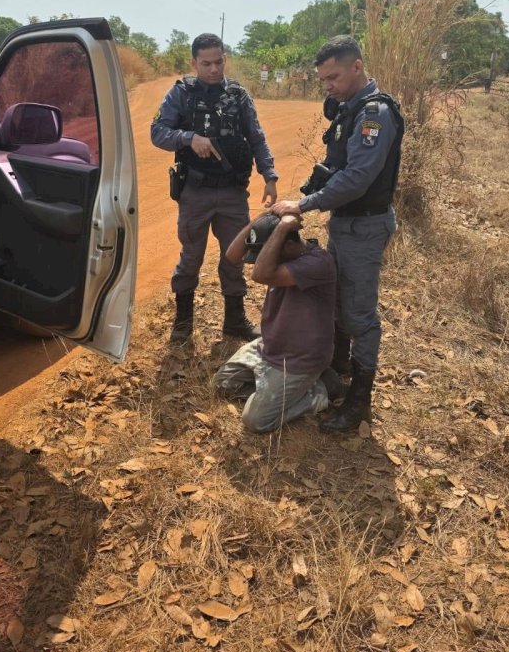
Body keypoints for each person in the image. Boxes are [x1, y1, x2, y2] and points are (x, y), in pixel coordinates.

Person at [273, 35, 404, 434]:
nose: (327, 85)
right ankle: (339, 371)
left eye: (333, 76)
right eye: (323, 79)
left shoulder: (374, 114)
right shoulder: (349, 110)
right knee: (339, 300)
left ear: (357, 66)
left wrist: (306, 205)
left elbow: (358, 177)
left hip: (364, 224)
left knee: (360, 315)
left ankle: (359, 402)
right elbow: (336, 167)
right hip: (346, 222)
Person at [151, 33, 279, 342]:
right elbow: (158, 132)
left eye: (218, 62)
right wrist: (188, 139)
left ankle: (234, 322)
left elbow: (256, 136)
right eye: (206, 63)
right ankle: (183, 325)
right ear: (194, 63)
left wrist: (270, 175)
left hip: (233, 192)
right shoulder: (182, 94)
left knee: (234, 257)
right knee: (191, 257)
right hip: (195, 190)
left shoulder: (238, 95)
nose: (213, 69)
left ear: (225, 60)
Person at [213, 212, 336, 433]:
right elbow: (232, 256)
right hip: (270, 347)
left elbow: (260, 274)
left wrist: (281, 228)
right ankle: (281, 392)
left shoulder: (318, 263)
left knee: (256, 421)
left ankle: (319, 392)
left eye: (265, 254)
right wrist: (265, 220)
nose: (259, 260)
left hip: (299, 359)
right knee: (223, 385)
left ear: (288, 244)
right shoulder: (283, 254)